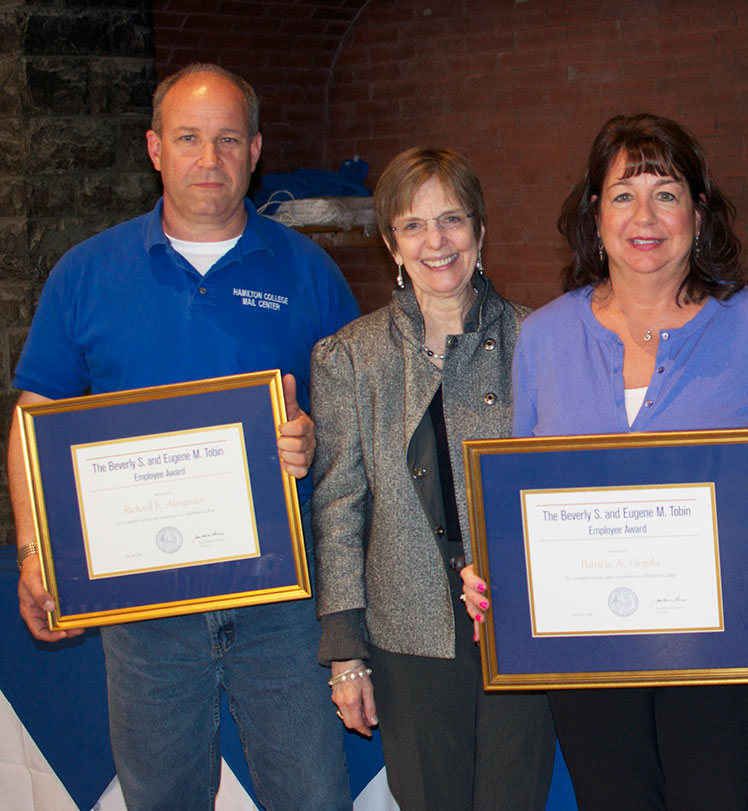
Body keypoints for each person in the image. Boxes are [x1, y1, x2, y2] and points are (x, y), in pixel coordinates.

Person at [8, 64, 358, 809]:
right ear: (154, 148)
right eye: (189, 138)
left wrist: (313, 439)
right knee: (162, 798)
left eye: (228, 139)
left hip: (283, 604)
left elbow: (352, 428)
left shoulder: (310, 272)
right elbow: (32, 421)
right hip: (143, 612)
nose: (209, 159)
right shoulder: (86, 274)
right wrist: (36, 547)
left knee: (313, 796)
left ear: (256, 149)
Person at [462, 114, 748, 810]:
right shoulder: (544, 337)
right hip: (592, 654)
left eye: (667, 192)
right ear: (595, 214)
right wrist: (496, 566)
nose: (644, 216)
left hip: (733, 654)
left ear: (700, 211)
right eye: (623, 194)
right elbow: (523, 490)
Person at [310, 146, 556, 811]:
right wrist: (346, 655)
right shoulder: (348, 359)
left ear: (479, 230)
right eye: (413, 224)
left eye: (451, 219)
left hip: (521, 620)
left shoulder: (541, 340)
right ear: (392, 241)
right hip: (405, 627)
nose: (436, 241)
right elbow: (338, 513)